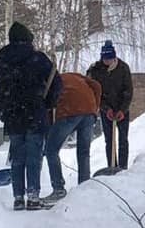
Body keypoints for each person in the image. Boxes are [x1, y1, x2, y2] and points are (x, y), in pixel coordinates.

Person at [0, 21, 62, 210]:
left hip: (13, 115)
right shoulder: (38, 59)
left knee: (17, 158)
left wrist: (3, 110)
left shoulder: (3, 60)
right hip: (34, 113)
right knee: (34, 157)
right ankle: (33, 196)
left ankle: (18, 198)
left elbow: (0, 88)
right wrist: (47, 103)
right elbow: (56, 83)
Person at [43, 71, 102, 200]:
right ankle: (84, 186)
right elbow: (96, 86)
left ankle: (58, 189)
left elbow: (47, 108)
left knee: (51, 150)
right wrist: (95, 107)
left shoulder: (49, 83)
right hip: (89, 111)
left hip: (69, 111)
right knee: (83, 152)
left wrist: (48, 131)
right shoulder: (76, 76)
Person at [86, 39, 134, 169]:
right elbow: (94, 92)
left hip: (121, 109)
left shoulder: (123, 68)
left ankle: (123, 167)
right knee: (109, 140)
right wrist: (105, 108)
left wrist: (122, 110)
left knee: (123, 139)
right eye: (105, 59)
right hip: (106, 109)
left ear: (114, 58)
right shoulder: (96, 70)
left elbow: (128, 91)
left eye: (110, 59)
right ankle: (112, 165)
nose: (107, 62)